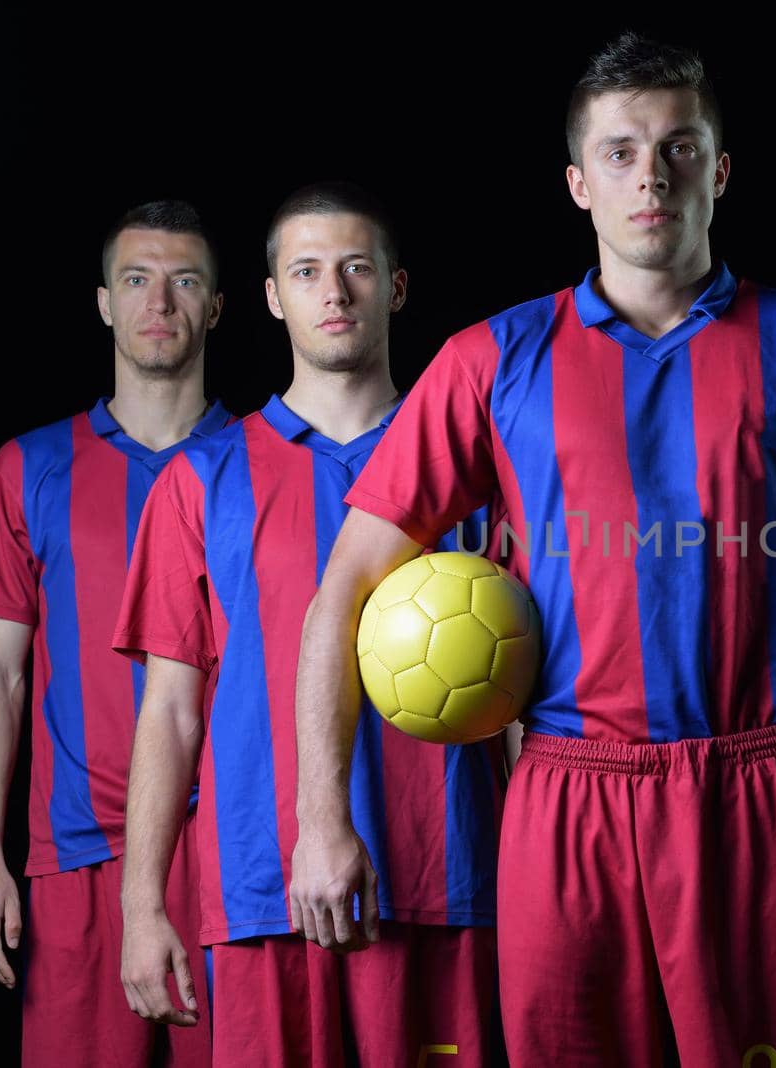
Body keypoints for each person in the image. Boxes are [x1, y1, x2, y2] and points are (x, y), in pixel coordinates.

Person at [291, 34, 776, 1067]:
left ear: (720, 171)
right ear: (577, 183)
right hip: (566, 798)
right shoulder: (490, 360)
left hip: (761, 789)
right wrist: (320, 819)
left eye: (680, 148)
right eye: (620, 152)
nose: (651, 175)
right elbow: (345, 591)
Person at [113, 183, 502, 1067]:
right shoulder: (199, 480)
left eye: (357, 268)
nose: (335, 292)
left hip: (445, 880)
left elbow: (524, 692)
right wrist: (143, 909)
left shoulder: (478, 467)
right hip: (261, 891)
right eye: (307, 271)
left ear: (396, 287)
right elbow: (171, 711)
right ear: (270, 296)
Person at [0, 200, 228, 1066]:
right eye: (136, 280)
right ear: (104, 302)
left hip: (227, 851)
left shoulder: (259, 463)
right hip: (75, 857)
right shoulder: (26, 468)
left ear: (217, 306)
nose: (160, 303)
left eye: (185, 282)